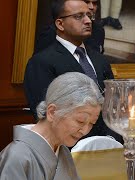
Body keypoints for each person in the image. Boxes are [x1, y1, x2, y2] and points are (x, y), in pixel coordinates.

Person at [24, 0, 122, 143]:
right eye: (79, 16)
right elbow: (46, 114)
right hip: (67, 150)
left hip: (107, 146)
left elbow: (114, 104)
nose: (88, 21)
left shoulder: (100, 60)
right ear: (60, 24)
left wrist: (110, 140)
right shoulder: (41, 62)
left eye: (89, 15)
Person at [0, 72, 103, 180]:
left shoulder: (63, 151)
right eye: (80, 121)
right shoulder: (17, 156)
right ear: (52, 112)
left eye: (91, 123)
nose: (85, 131)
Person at [34, 0, 105, 54]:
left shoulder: (98, 30)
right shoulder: (51, 32)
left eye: (95, 3)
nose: (91, 7)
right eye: (87, 2)